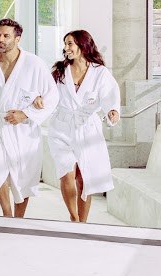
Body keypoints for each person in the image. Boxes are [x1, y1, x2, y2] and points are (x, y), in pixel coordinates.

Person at [0, 18, 56, 218]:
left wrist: (26, 113)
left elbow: (53, 95)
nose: (0, 39)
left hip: (23, 127)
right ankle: (7, 214)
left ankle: (19, 218)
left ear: (18, 39)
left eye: (6, 36)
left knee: (23, 174)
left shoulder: (34, 64)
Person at [48, 29, 121, 223]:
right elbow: (47, 93)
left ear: (83, 45)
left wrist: (112, 110)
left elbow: (109, 96)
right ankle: (73, 217)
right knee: (66, 172)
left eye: (70, 43)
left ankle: (83, 222)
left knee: (85, 177)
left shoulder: (99, 72)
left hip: (87, 127)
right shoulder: (60, 71)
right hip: (61, 127)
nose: (66, 48)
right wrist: (39, 101)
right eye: (65, 44)